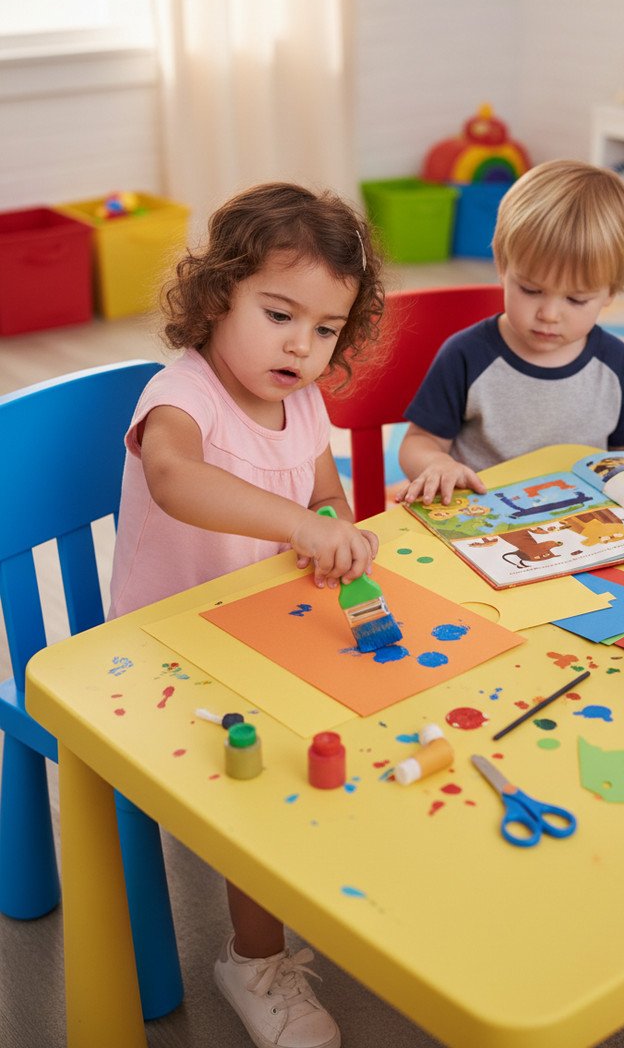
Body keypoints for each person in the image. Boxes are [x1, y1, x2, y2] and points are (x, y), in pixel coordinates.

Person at [109, 182, 385, 1048]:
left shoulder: (304, 399)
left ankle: (342, 879)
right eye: (278, 313)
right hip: (162, 652)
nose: (302, 346)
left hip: (264, 628)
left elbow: (328, 492)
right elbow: (174, 479)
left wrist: (333, 529)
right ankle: (253, 960)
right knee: (262, 777)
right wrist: (298, 524)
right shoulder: (179, 396)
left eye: (326, 330)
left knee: (376, 711)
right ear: (217, 292)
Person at [397, 159, 624, 507]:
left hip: (585, 523)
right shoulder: (467, 355)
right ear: (502, 266)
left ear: (610, 292)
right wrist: (438, 464)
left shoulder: (613, 362)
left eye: (576, 299)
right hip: (482, 519)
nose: (549, 314)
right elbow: (419, 442)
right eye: (530, 289)